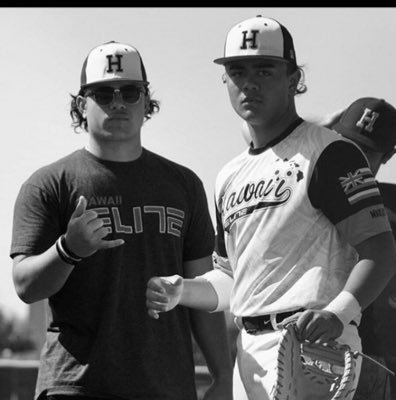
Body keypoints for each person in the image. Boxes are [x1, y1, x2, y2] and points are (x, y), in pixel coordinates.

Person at [146, 15, 396, 400]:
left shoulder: (331, 153)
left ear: (294, 78)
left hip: (315, 344)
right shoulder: (228, 175)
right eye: (237, 70)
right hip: (248, 350)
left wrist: (339, 313)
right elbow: (233, 281)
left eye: (265, 69)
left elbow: (380, 252)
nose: (249, 81)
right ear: (225, 80)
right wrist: (183, 291)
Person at [10, 40, 233, 400]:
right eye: (103, 93)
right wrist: (68, 250)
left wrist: (223, 375)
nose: (117, 102)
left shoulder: (184, 184)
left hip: (168, 387)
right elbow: (25, 286)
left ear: (147, 102)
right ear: (82, 105)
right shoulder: (49, 183)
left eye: (130, 92)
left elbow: (201, 286)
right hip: (76, 385)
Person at [328, 97, 396, 400]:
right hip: (315, 348)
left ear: (389, 155)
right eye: (347, 145)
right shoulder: (311, 189)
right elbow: (255, 133)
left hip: (377, 356)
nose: (355, 158)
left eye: (366, 152)